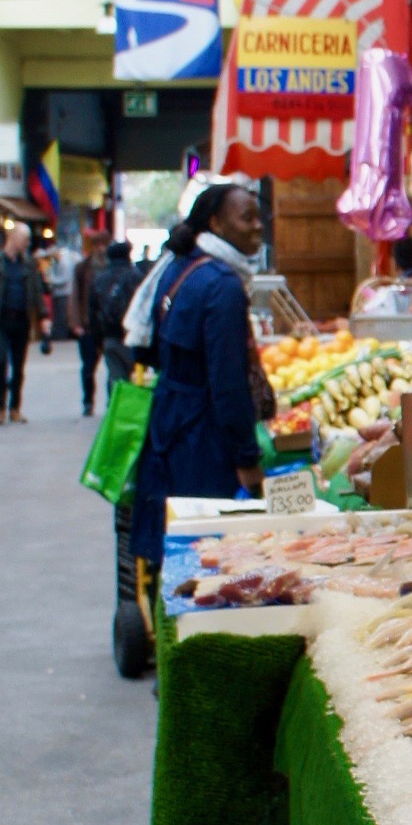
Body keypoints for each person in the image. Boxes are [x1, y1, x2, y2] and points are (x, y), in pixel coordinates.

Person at [128, 180, 266, 569]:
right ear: (216, 223)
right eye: (247, 218)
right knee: (205, 549)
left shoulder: (179, 267)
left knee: (174, 537)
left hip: (170, 422)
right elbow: (228, 381)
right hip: (204, 437)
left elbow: (148, 349)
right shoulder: (223, 285)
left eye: (259, 217)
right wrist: (247, 456)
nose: (258, 226)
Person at [0, 223, 48, 423]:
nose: (28, 243)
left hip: (22, 320)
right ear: (13, 237)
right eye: (25, 239)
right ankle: (0, 407)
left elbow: (37, 292)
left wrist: (43, 317)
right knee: (0, 362)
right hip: (2, 321)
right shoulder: (0, 262)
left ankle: (15, 408)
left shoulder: (29, 264)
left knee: (19, 367)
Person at [90, 238, 142, 388]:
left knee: (115, 378)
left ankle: (115, 401)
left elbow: (93, 312)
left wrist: (98, 340)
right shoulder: (136, 277)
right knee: (135, 380)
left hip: (110, 336)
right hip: (133, 336)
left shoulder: (100, 279)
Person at [71, 232, 105, 416]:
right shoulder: (82, 268)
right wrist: (76, 322)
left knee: (113, 368)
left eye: (103, 244)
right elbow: (75, 296)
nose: (101, 248)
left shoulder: (112, 266)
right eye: (98, 245)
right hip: (88, 326)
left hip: (107, 326)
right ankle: (88, 401)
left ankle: (111, 402)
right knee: (88, 368)